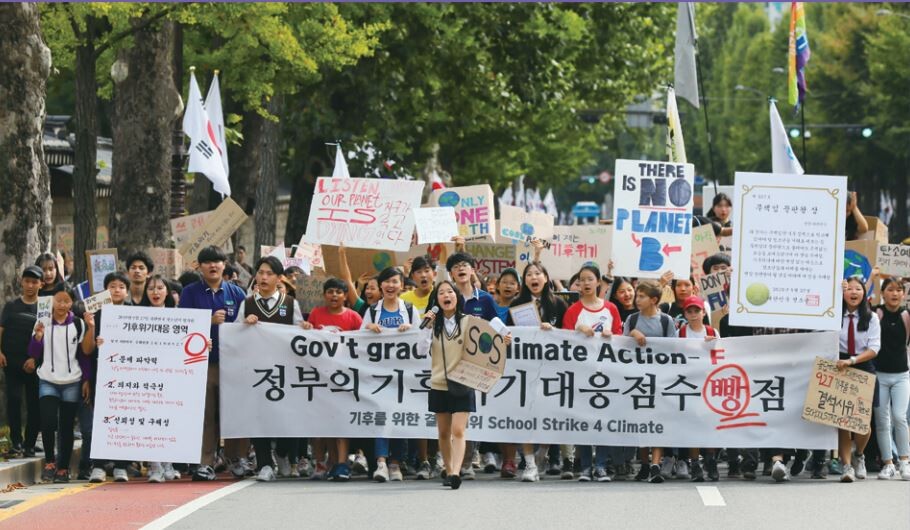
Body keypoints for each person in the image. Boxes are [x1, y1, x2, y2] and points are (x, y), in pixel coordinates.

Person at [422, 280, 511, 489]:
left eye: (450, 292)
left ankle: (454, 472)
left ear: (457, 297)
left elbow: (495, 330)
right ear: (436, 300)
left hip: (463, 382)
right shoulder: (431, 325)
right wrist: (426, 327)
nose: (447, 295)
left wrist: (504, 337)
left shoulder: (469, 321)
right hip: (439, 383)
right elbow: (419, 350)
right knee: (443, 432)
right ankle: (448, 465)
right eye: (441, 293)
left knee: (458, 430)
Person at [178, 246, 248, 481]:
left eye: (217, 261)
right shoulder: (190, 292)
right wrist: (207, 321)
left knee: (235, 413)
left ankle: (235, 459)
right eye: (207, 262)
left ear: (224, 264)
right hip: (204, 364)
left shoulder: (237, 293)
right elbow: (182, 325)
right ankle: (205, 462)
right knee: (206, 415)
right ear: (200, 266)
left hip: (234, 364)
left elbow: (246, 327)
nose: (213, 265)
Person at [238, 257, 306, 482]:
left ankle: (283, 452)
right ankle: (265, 463)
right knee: (259, 416)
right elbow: (233, 337)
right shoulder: (247, 303)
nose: (264, 277)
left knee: (289, 416)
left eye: (269, 273)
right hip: (257, 371)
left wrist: (305, 328)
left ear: (279, 278)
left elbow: (299, 335)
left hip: (285, 370)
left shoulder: (289, 303)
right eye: (261, 272)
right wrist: (244, 326)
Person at [26, 284, 95, 483]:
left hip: (72, 381)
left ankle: (63, 468)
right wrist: (38, 338)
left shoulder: (79, 324)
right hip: (47, 379)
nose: (62, 304)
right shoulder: (42, 322)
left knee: (66, 426)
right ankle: (49, 462)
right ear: (51, 301)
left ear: (71, 303)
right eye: (58, 300)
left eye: (66, 300)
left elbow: (85, 355)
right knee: (47, 421)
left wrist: (86, 379)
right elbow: (33, 353)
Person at [506, 261, 568, 482]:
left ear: (545, 277)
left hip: (552, 370)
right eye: (529, 274)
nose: (534, 277)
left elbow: (569, 336)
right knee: (527, 416)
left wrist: (554, 332)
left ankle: (543, 453)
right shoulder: (517, 304)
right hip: (526, 370)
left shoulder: (559, 304)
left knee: (547, 416)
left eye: (537, 273)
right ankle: (530, 463)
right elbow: (508, 333)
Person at [562, 264, 622, 483]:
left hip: (606, 372)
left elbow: (620, 338)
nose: (585, 284)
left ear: (598, 282)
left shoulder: (611, 309)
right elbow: (563, 342)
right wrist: (578, 331)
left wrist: (610, 336)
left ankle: (601, 465)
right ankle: (586, 466)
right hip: (581, 373)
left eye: (589, 279)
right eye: (581, 280)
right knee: (584, 420)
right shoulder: (573, 311)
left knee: (604, 419)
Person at [361, 267, 420, 482]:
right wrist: (368, 327)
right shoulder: (373, 310)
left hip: (404, 376)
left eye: (394, 281)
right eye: (386, 281)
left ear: (401, 285)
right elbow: (357, 342)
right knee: (381, 418)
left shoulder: (411, 310)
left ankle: (396, 463)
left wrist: (411, 329)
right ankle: (381, 463)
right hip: (378, 377)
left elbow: (422, 342)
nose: (390, 285)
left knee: (399, 419)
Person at [623, 280, 677, 484]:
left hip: (660, 379)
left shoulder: (666, 321)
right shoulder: (632, 319)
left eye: (642, 296)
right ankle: (644, 463)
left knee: (657, 421)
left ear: (654, 300)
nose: (637, 299)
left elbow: (673, 348)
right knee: (641, 422)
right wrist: (633, 333)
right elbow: (622, 345)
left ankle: (656, 464)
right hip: (636, 379)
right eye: (637, 296)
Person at [87, 272, 133, 483]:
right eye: (112, 286)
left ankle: (121, 465)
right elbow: (86, 351)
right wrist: (91, 331)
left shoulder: (136, 314)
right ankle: (98, 465)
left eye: (121, 286)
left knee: (124, 418)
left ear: (127, 290)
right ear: (106, 290)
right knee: (101, 419)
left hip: (127, 374)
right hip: (101, 373)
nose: (116, 290)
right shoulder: (96, 314)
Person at [837, 275, 880, 483]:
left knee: (863, 422)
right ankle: (846, 466)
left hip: (862, 365)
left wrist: (852, 361)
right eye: (849, 288)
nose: (854, 292)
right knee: (842, 420)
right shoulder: (834, 315)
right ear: (843, 292)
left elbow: (874, 349)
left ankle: (859, 455)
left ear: (865, 293)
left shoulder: (871, 317)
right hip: (839, 366)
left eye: (858, 289)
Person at [676, 295, 720, 482]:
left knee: (709, 423)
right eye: (689, 311)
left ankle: (710, 461)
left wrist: (713, 345)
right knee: (693, 423)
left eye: (697, 311)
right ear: (685, 313)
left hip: (708, 383)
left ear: (703, 312)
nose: (693, 315)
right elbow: (674, 354)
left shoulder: (712, 331)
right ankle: (695, 464)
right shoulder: (681, 333)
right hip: (688, 383)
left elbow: (722, 356)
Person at [0, 265, 43, 458]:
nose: (30, 285)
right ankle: (15, 442)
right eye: (27, 281)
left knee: (34, 405)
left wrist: (35, 359)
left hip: (35, 365)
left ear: (41, 284)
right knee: (14, 401)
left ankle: (29, 444)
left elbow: (48, 337)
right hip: (11, 362)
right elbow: (1, 330)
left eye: (34, 282)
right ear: (22, 282)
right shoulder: (11, 306)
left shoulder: (44, 308)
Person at [873, 277, 910, 480]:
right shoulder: (875, 314)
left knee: (900, 417)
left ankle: (905, 461)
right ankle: (888, 463)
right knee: (882, 421)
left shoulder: (907, 315)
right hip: (879, 375)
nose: (894, 294)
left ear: (903, 294)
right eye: (890, 289)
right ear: (883, 293)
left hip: (902, 375)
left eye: (898, 290)